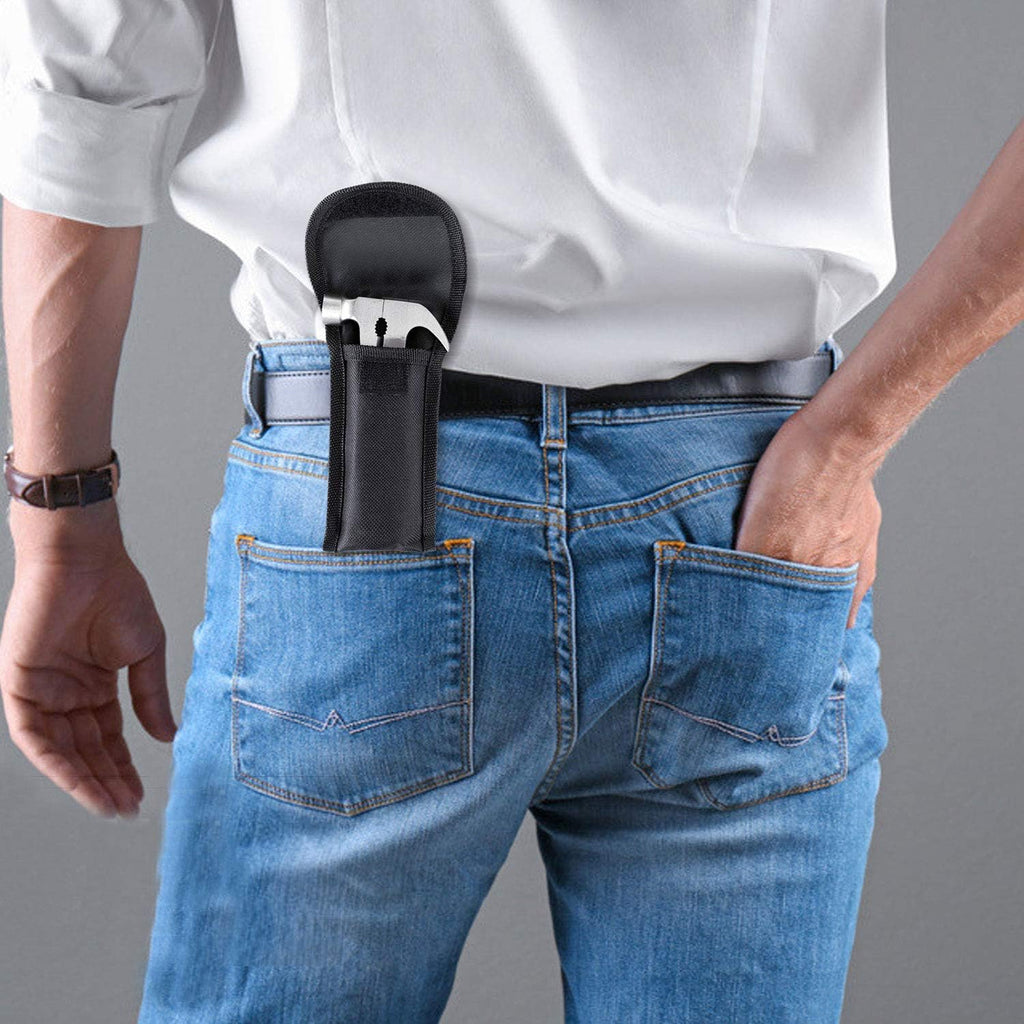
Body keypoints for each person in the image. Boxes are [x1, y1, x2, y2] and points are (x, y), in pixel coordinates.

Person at [0, 2, 1020, 1022]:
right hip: (743, 514)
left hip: (373, 508)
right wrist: (843, 444)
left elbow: (85, 79)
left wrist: (61, 520)